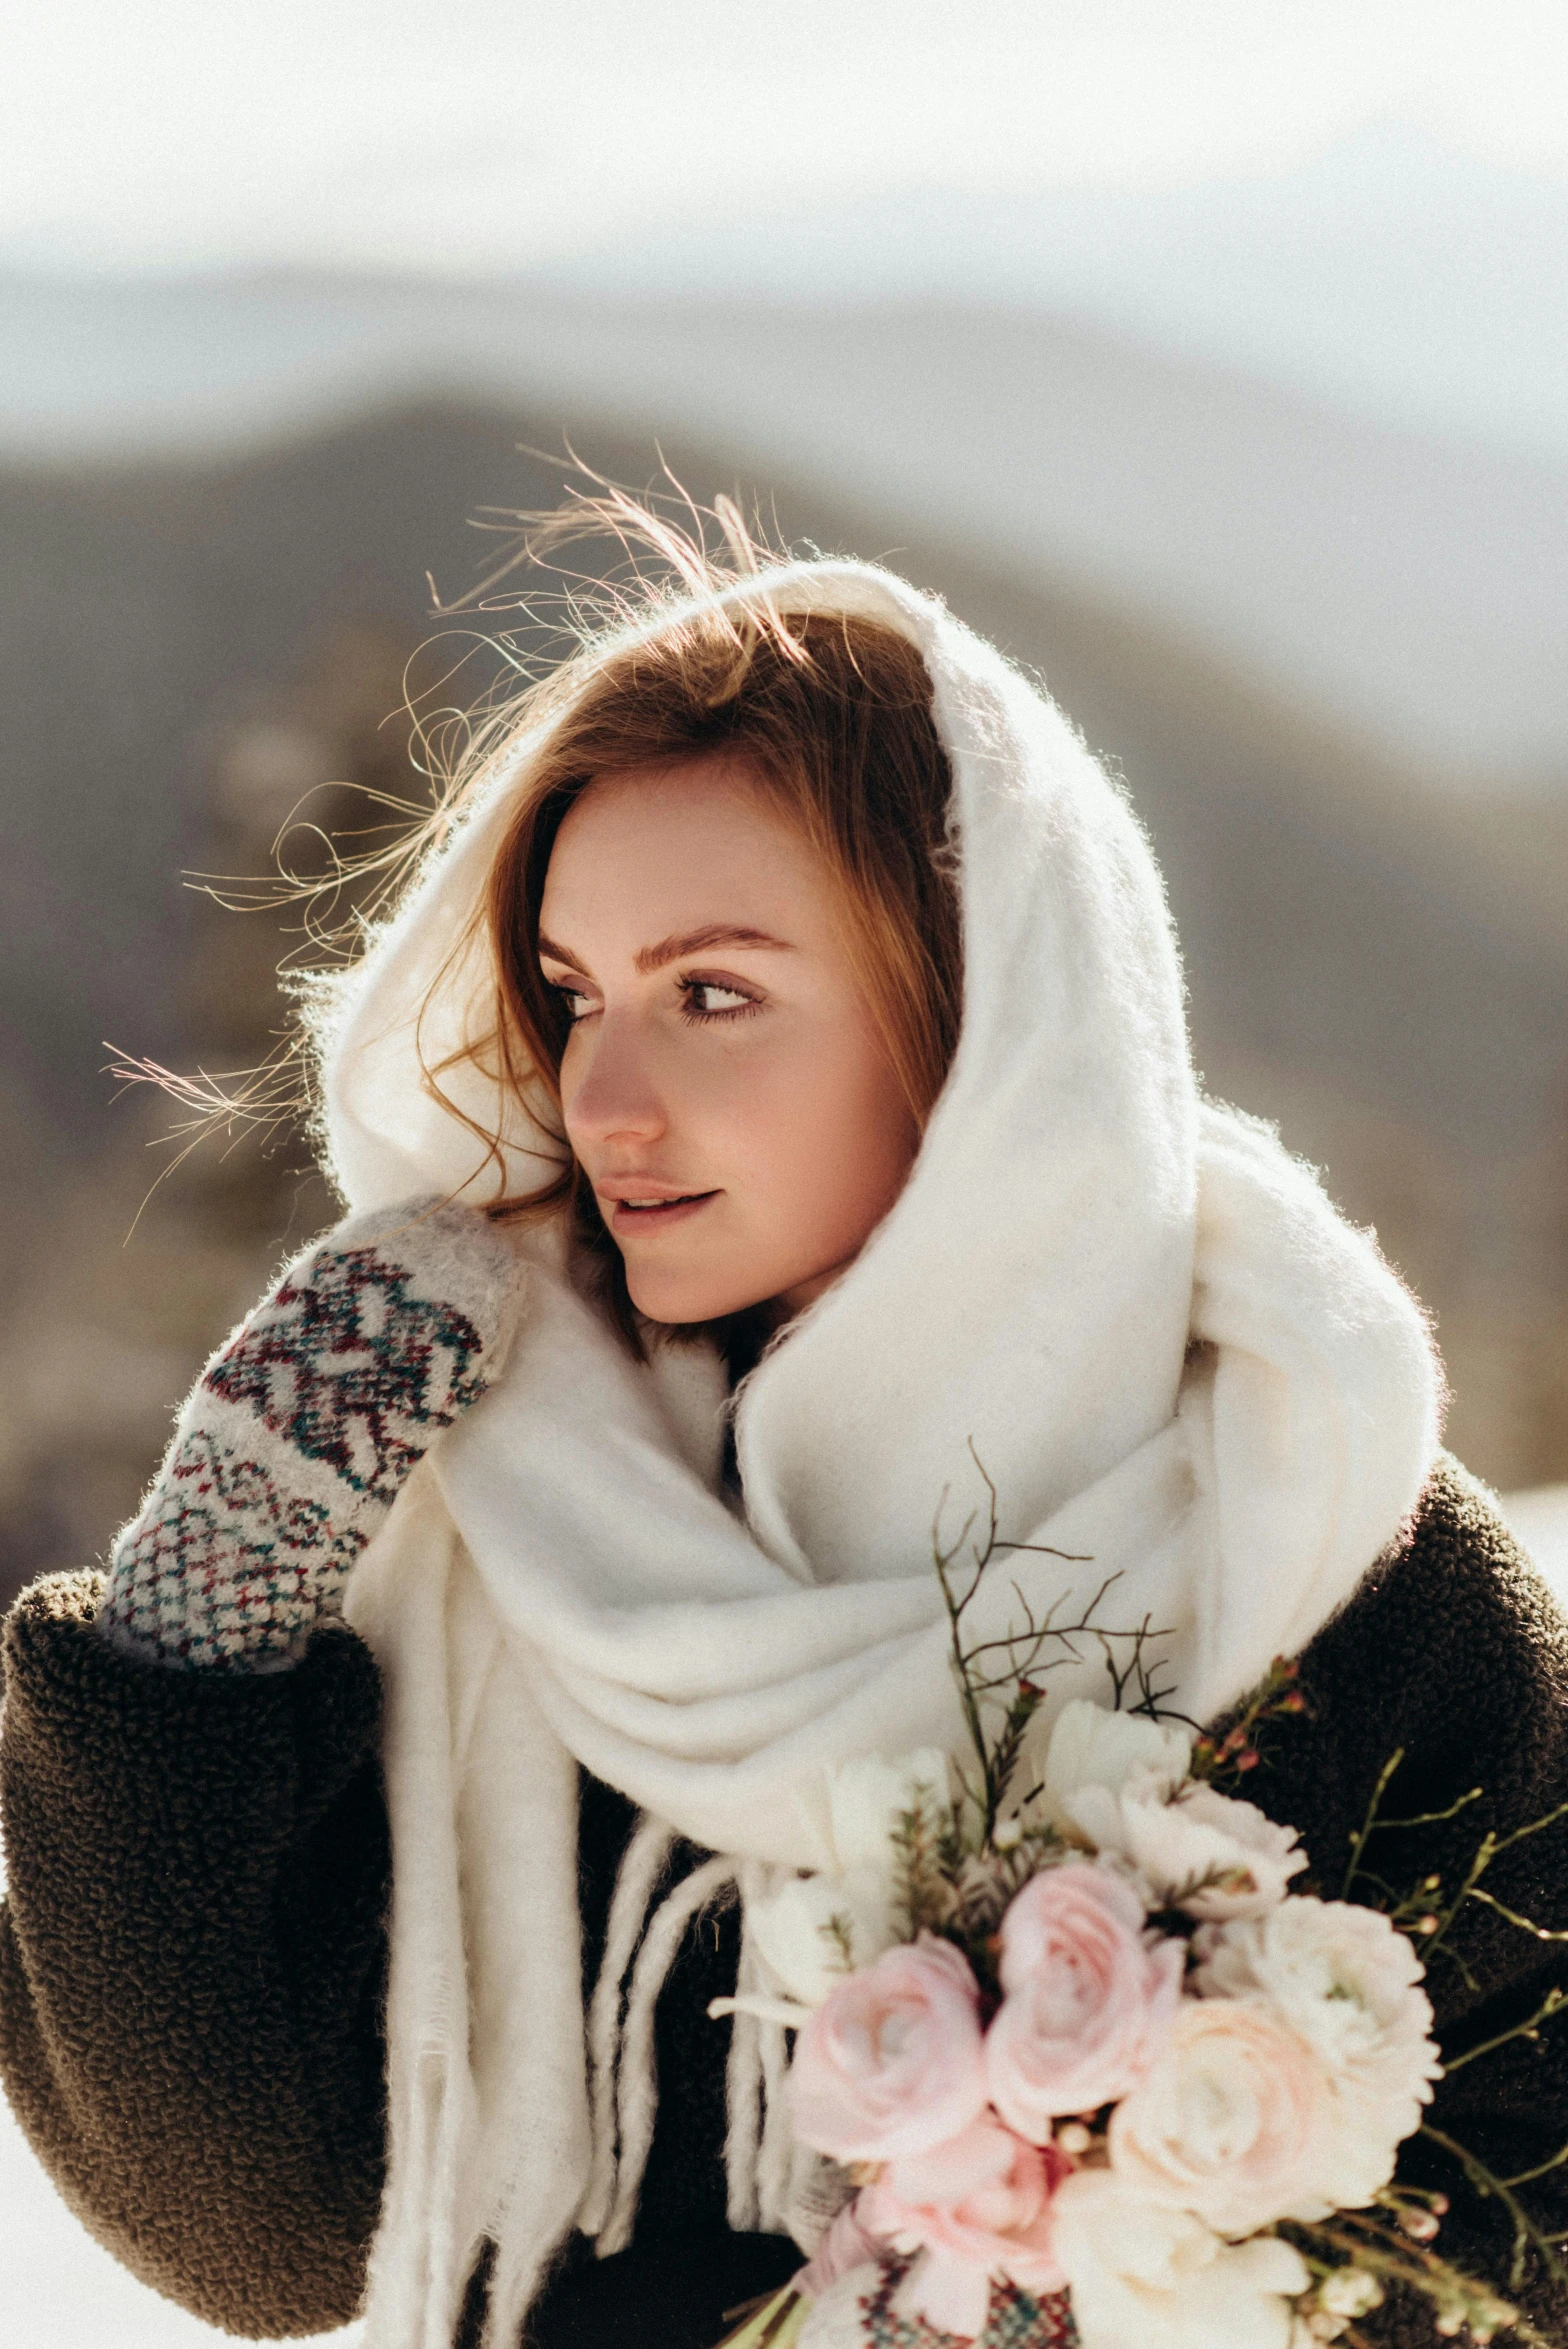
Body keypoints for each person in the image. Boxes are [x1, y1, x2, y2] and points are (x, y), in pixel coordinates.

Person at [2, 512, 1566, 2349]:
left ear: (981, 1027)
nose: (600, 1093)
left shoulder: (1321, 1542)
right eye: (574, 996)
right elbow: (248, 2242)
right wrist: (199, 1625)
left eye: (714, 993)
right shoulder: (493, 1502)